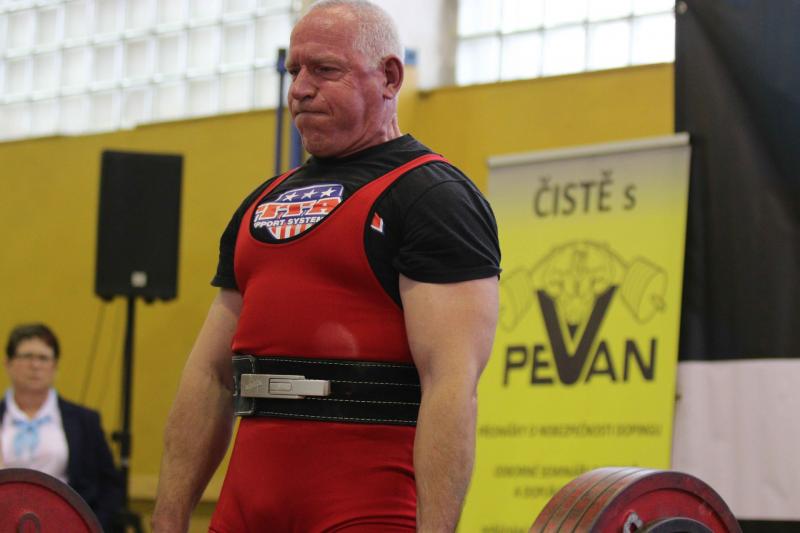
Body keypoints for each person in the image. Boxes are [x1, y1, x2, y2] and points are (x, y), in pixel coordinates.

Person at [152, 0, 500, 531]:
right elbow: (210, 375)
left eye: (324, 70)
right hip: (247, 505)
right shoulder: (261, 203)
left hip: (366, 507)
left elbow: (450, 387)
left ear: (390, 77)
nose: (300, 89)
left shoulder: (434, 198)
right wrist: (167, 519)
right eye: (294, 70)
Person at [1, 323, 122, 531]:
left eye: (43, 358)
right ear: (8, 363)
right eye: (27, 356)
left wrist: (88, 526)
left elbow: (109, 486)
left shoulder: (84, 421)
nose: (35, 365)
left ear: (55, 366)